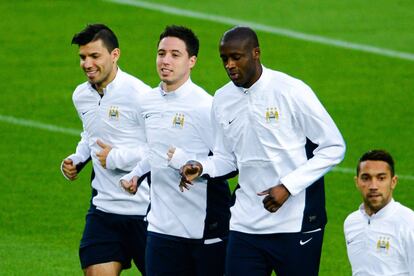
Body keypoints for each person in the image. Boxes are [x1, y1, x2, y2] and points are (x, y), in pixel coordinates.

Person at [178, 26, 346, 275]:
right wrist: (203, 167)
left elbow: (334, 146)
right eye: (224, 58)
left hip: (294, 224)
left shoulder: (290, 90)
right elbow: (226, 158)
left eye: (237, 57)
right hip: (245, 224)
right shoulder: (222, 100)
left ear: (256, 53)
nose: (230, 65)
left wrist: (288, 186)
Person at [120, 25, 232, 276]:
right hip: (160, 228)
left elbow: (229, 162)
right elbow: (154, 150)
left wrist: (191, 164)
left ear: (192, 61)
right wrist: (136, 175)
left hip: (204, 229)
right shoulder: (146, 102)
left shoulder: (205, 106)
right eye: (161, 53)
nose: (165, 60)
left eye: (175, 54)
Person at [60, 23, 151, 276]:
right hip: (104, 210)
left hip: (146, 213)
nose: (87, 64)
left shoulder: (140, 96)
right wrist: (77, 158)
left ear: (115, 55)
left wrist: (116, 158)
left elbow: (159, 149)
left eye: (94, 56)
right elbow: (90, 134)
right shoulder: (81, 95)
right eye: (83, 57)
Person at [344, 150, 414, 275]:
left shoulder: (408, 223)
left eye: (381, 178)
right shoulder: (351, 222)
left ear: (393, 182)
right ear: (357, 182)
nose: (373, 186)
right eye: (366, 178)